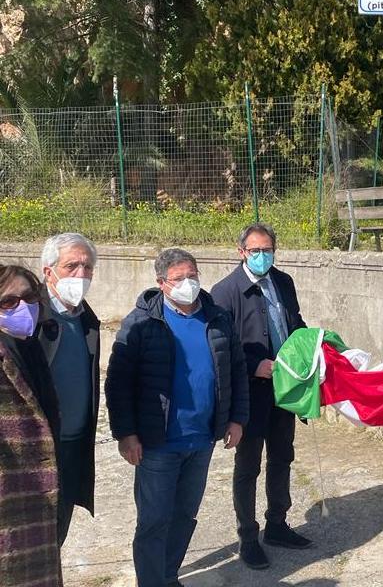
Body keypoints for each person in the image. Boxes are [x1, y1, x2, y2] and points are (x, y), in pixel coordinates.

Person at [105, 248, 248, 587]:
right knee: (154, 520)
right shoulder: (142, 322)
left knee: (185, 515)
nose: (188, 283)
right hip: (158, 443)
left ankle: (168, 575)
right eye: (179, 278)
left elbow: (237, 370)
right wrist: (126, 433)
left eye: (192, 275)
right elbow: (118, 382)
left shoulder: (217, 318)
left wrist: (237, 418)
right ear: (161, 283)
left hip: (202, 439)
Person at [211, 223, 310, 571]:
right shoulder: (225, 292)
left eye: (268, 250)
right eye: (255, 251)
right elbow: (221, 345)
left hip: (285, 389)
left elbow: (296, 326)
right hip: (250, 394)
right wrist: (255, 365)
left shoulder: (283, 282)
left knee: (282, 456)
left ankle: (277, 524)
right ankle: (248, 537)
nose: (262, 256)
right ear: (241, 252)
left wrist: (309, 352)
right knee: (248, 466)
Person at [0, 264, 62, 586]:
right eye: (8, 301)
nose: (22, 307)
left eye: (29, 297)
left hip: (36, 493)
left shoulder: (30, 346)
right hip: (9, 500)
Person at [37, 233, 100, 545]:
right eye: (71, 266)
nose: (81, 274)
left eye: (87, 267)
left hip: (73, 446)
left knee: (56, 534)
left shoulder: (86, 318)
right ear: (49, 271)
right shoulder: (28, 317)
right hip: (36, 452)